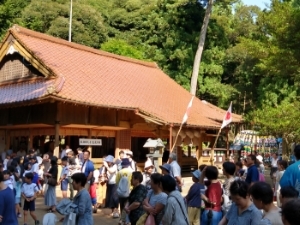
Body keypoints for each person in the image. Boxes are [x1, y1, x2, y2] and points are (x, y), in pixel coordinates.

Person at [116, 158, 133, 225]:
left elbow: (117, 182)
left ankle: (121, 219)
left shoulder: (119, 172)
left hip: (120, 191)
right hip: (129, 191)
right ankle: (126, 220)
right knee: (127, 205)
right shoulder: (131, 172)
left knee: (121, 205)